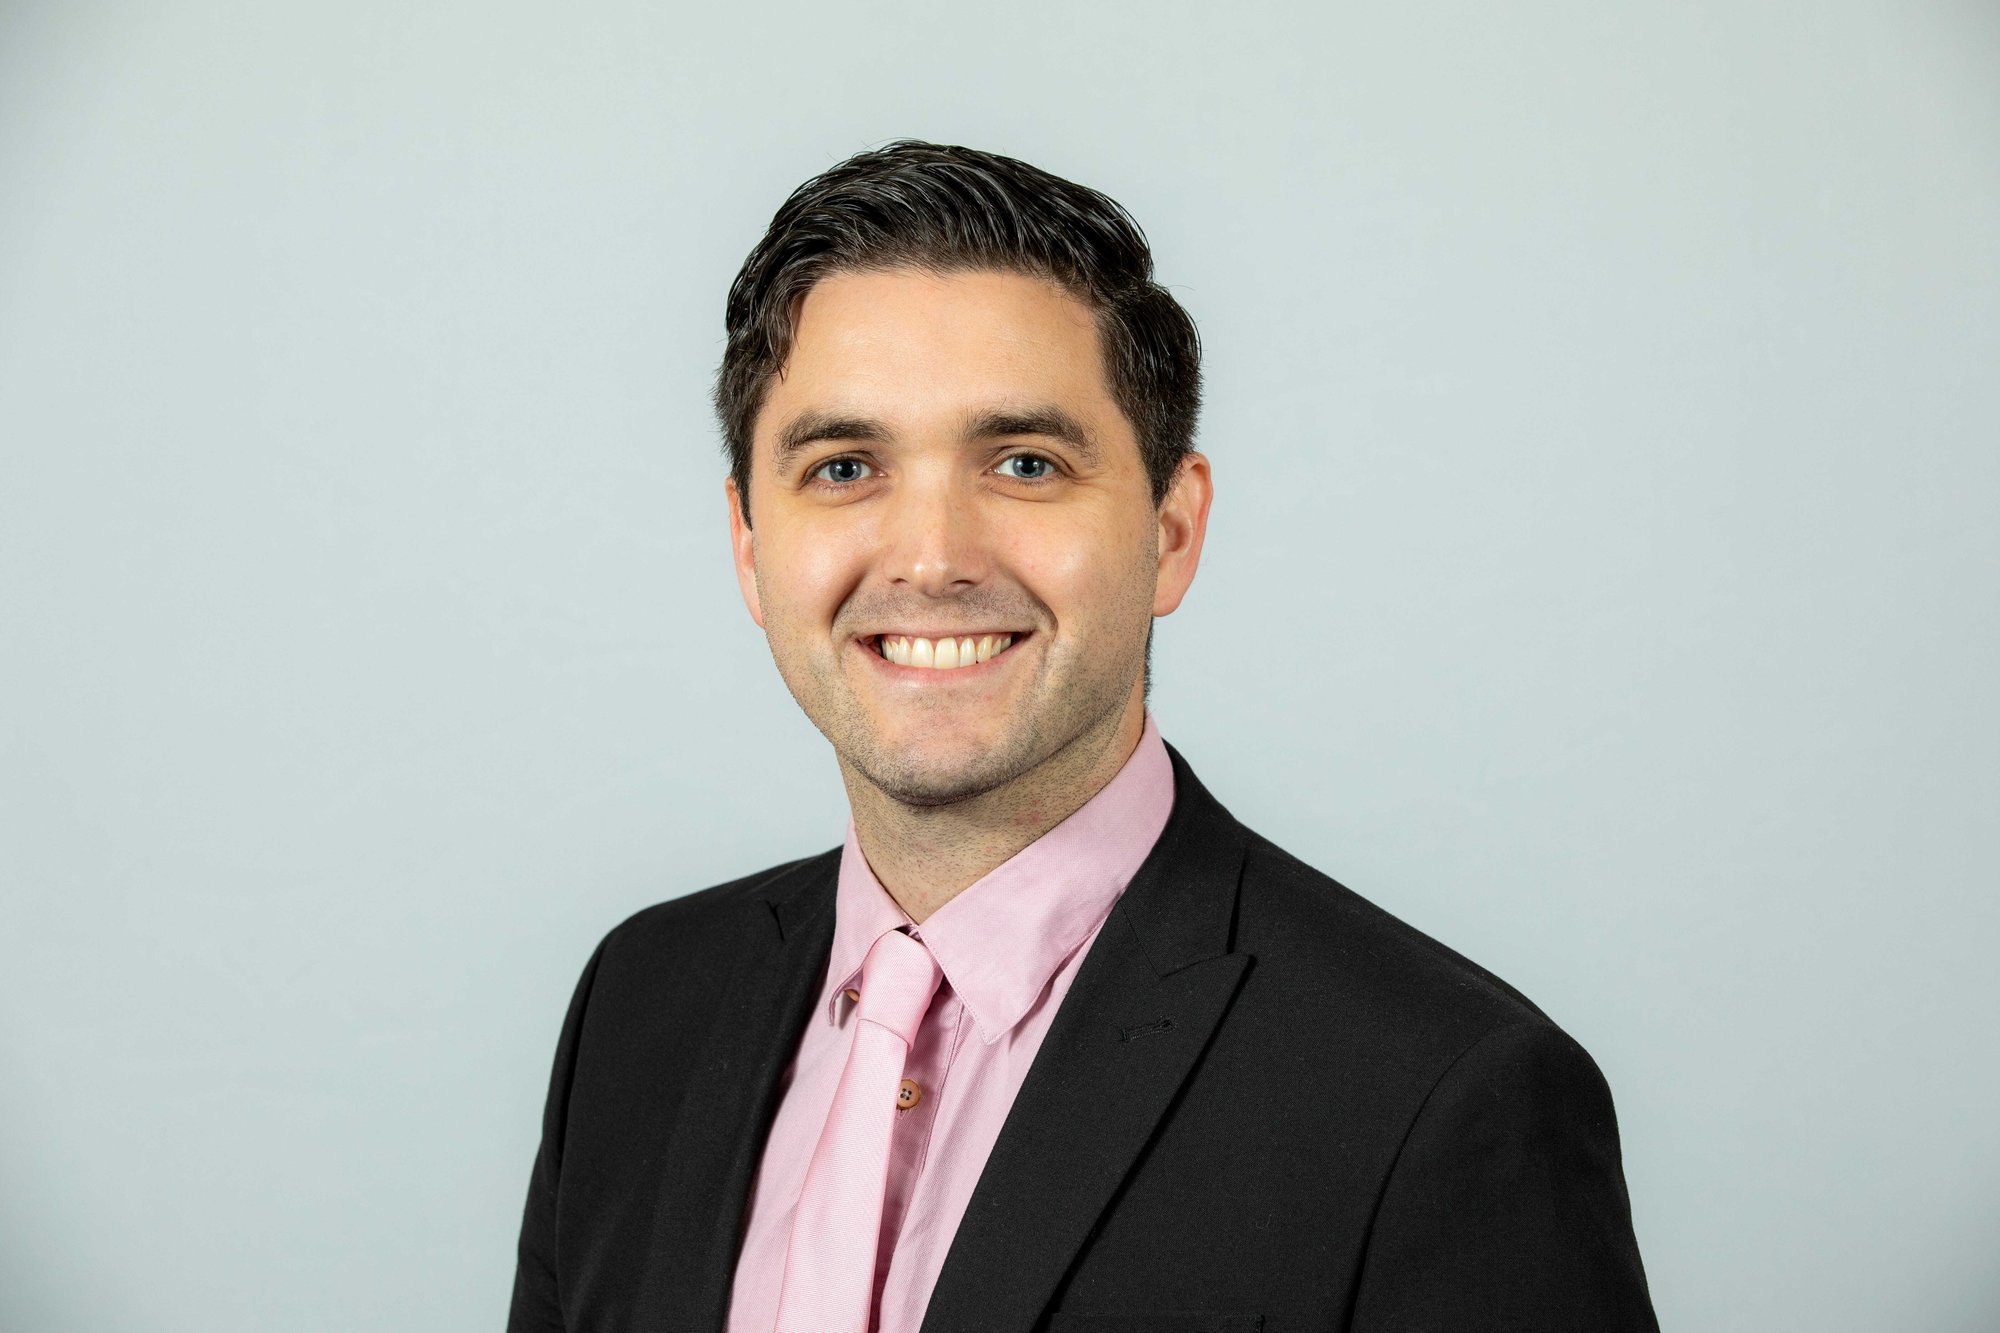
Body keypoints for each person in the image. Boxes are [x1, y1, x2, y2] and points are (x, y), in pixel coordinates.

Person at [506, 140, 1659, 1333]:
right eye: (843, 466)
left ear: (1170, 530)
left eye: (1022, 462)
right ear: (751, 546)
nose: (931, 556)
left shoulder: (1440, 1100)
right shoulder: (641, 1007)